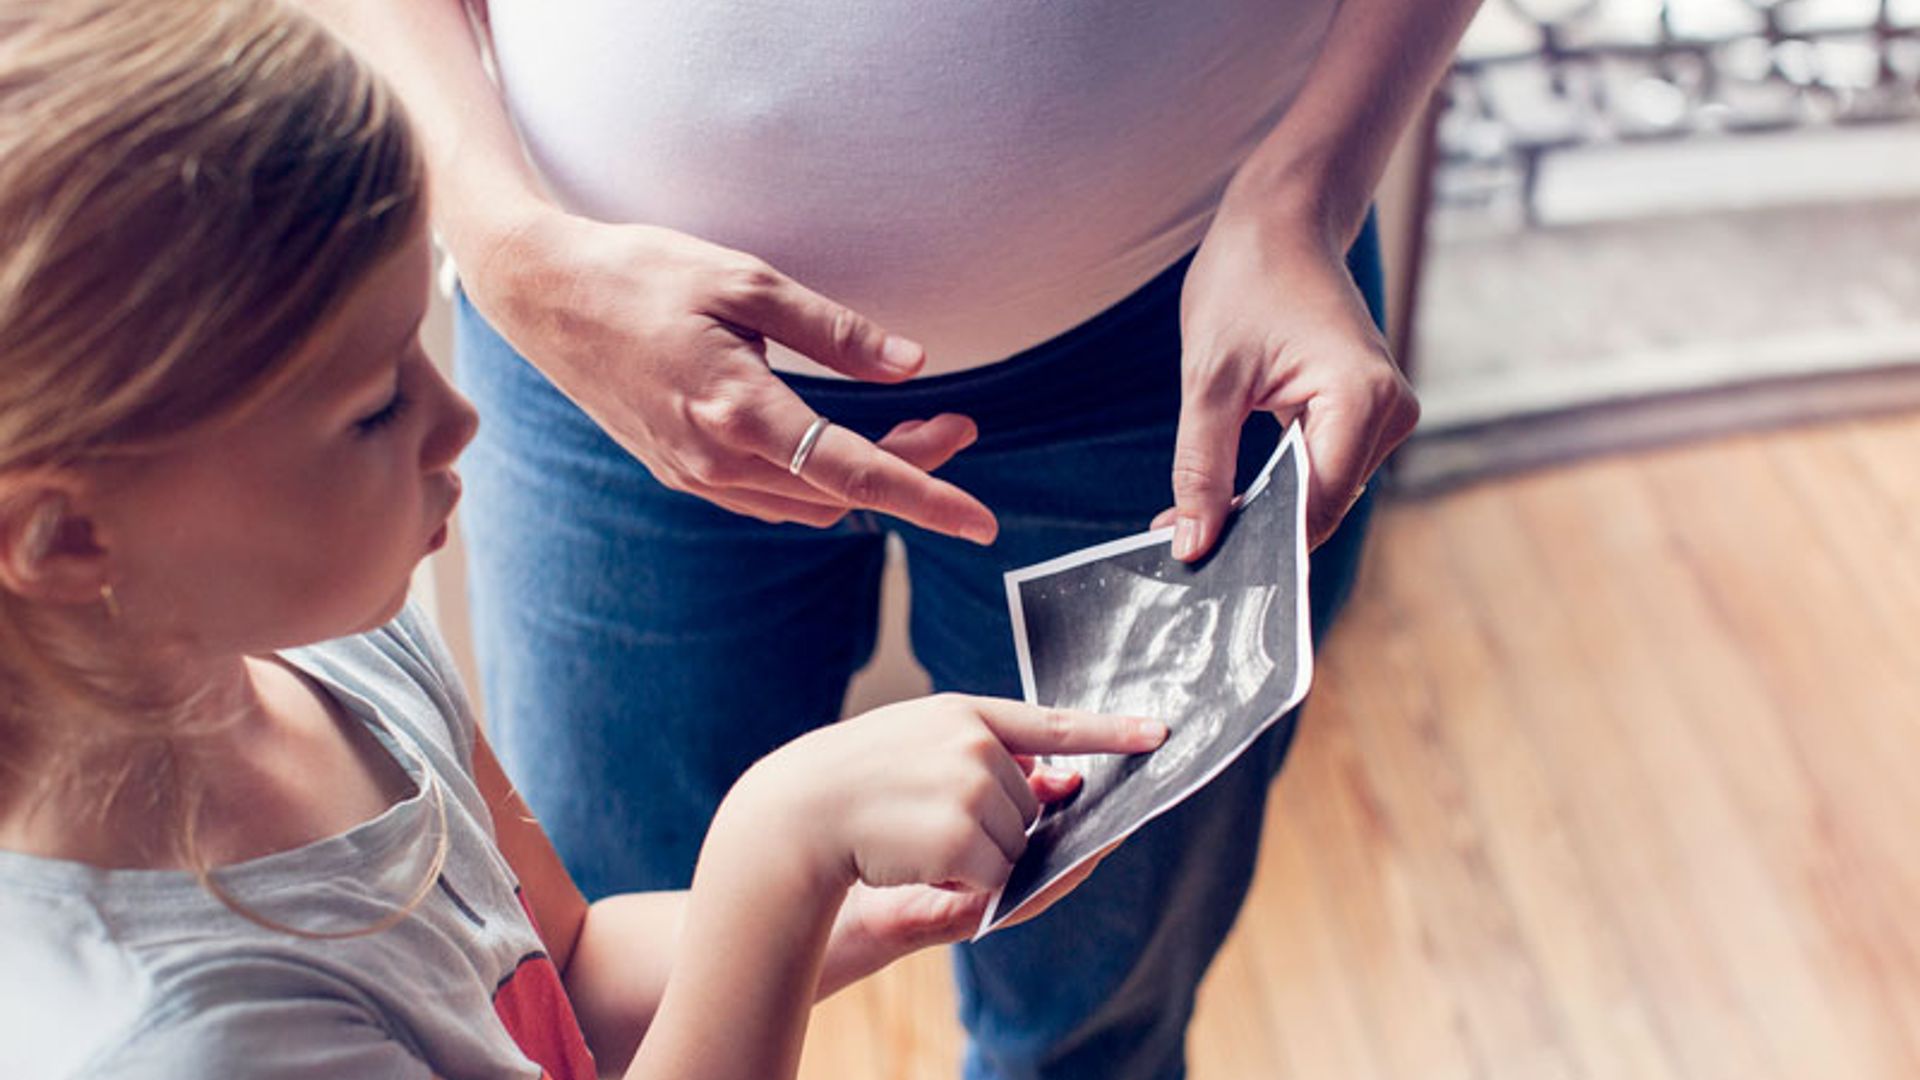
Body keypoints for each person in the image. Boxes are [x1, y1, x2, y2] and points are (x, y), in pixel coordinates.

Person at [304, 2, 1483, 1076]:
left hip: (1178, 348)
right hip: (590, 332)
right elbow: (582, 991)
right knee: (610, 963)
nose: (435, 428)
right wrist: (510, 250)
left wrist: (1308, 189)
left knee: (1096, 1019)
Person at [0, 4, 1165, 1077]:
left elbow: (562, 966)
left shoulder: (331, 655)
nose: (459, 420)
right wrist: (781, 849)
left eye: (419, 346)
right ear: (60, 539)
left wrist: (838, 911)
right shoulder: (187, 1042)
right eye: (371, 409)